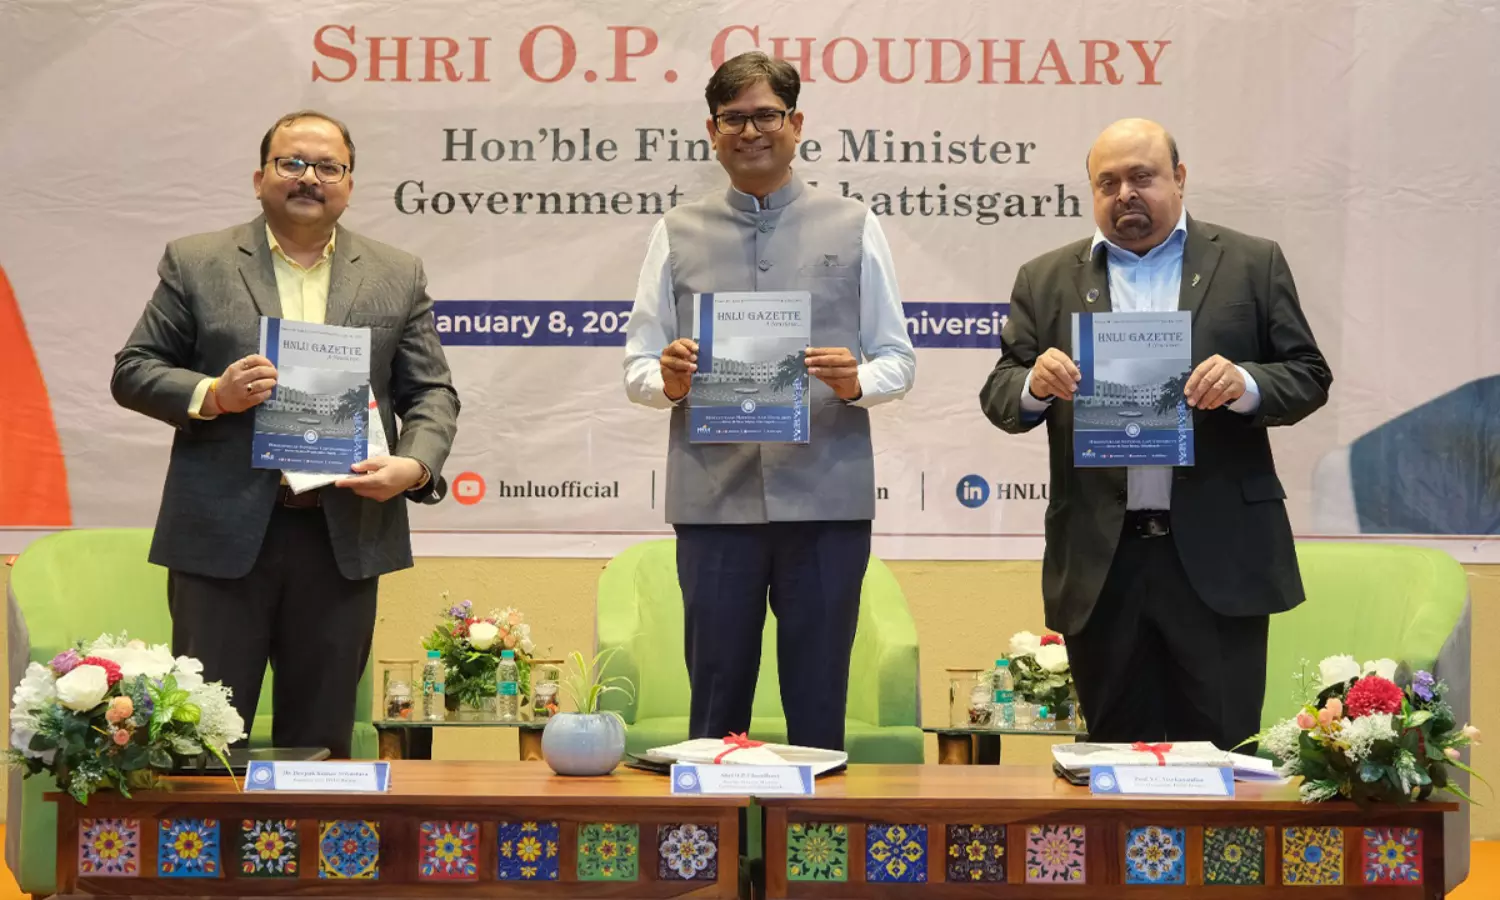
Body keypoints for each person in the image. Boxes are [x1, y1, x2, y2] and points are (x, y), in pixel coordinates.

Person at [111, 110, 459, 757]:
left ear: (349, 184)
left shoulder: (396, 272)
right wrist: (213, 394)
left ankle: (315, 833)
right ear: (259, 178)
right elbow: (134, 370)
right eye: (291, 162)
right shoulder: (197, 262)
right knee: (202, 743)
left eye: (328, 166)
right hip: (221, 535)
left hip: (342, 534)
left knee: (322, 745)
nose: (309, 178)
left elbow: (431, 392)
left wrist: (413, 466)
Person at [979, 118, 1331, 749]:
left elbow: (1308, 375)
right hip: (1102, 561)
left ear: (1180, 178)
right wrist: (1035, 383)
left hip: (1218, 556)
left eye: (1142, 177)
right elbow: (1001, 393)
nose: (1125, 194)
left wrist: (1245, 383)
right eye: (1107, 182)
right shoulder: (1045, 277)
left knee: (1223, 760)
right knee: (1113, 764)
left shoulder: (1251, 263)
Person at [622, 52, 916, 751]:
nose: (750, 132)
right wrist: (668, 380)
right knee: (715, 710)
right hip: (712, 503)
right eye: (733, 119)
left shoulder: (853, 223)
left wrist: (856, 381)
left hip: (828, 503)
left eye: (765, 116)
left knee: (818, 705)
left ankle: (810, 824)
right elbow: (638, 365)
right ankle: (715, 826)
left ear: (796, 123)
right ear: (712, 131)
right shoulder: (676, 230)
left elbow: (898, 360)